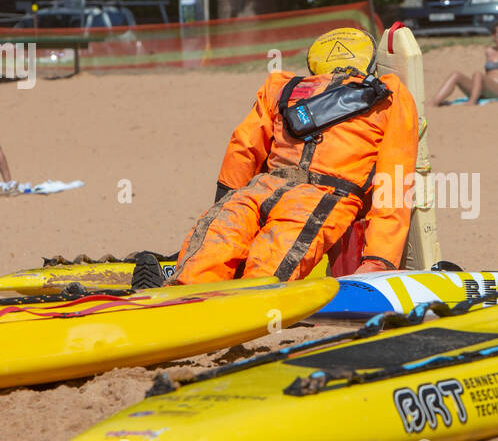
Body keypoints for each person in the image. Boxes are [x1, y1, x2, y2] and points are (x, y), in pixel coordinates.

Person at [138, 27, 418, 288]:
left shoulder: (282, 87)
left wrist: (223, 202)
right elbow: (394, 180)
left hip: (261, 188)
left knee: (217, 240)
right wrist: (379, 258)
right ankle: (241, 292)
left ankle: (185, 287)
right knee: (270, 268)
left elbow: (243, 149)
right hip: (321, 197)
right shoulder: (388, 95)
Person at [430, 23, 498, 106]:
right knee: (456, 75)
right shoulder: (489, 52)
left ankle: (472, 103)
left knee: (477, 74)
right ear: (493, 36)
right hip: (483, 89)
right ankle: (433, 103)